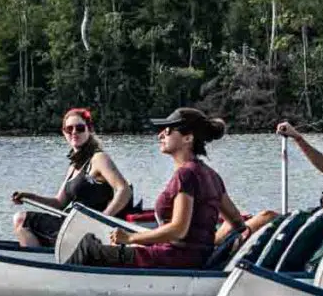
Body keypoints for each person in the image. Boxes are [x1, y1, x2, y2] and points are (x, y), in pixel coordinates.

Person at [65, 107, 245, 268]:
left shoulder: (186, 174)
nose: (160, 135)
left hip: (174, 259)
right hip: (189, 258)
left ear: (188, 138)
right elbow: (236, 223)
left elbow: (178, 230)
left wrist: (130, 238)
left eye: (167, 131)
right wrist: (208, 246)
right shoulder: (211, 175)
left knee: (88, 248)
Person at [11, 107, 132, 247]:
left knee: (20, 219)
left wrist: (103, 218)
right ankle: (45, 258)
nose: (74, 132)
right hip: (71, 223)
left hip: (88, 229)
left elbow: (124, 189)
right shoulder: (74, 166)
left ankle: (39, 262)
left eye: (80, 128)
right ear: (64, 133)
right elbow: (59, 203)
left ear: (89, 129)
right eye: (69, 129)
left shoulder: (98, 158)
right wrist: (28, 196)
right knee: (22, 221)